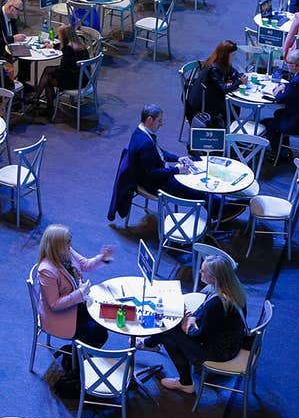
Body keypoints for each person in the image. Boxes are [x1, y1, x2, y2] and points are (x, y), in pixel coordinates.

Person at [142, 256, 247, 393]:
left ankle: (185, 382)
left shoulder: (217, 304)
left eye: (203, 271)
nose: (199, 273)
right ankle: (149, 343)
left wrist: (186, 326)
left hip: (219, 353)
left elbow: (201, 336)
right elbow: (204, 308)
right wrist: (192, 318)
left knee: (169, 330)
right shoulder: (231, 289)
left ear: (214, 277)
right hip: (231, 342)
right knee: (171, 330)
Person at [34, 225, 115, 370]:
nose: (70, 245)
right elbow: (54, 304)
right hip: (57, 316)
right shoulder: (46, 270)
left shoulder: (66, 252)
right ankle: (75, 362)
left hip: (73, 305)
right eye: (67, 242)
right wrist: (80, 293)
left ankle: (77, 354)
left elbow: (85, 264)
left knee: (102, 318)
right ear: (57, 246)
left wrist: (102, 257)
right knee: (99, 334)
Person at [107, 104, 187, 213]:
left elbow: (159, 152)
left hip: (153, 175)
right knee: (196, 192)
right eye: (159, 120)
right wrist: (177, 170)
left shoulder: (140, 132)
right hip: (153, 184)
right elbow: (152, 173)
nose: (162, 124)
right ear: (149, 120)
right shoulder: (146, 144)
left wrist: (178, 159)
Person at [186, 40, 244, 127]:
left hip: (209, 95)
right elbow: (224, 89)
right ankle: (229, 127)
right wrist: (240, 82)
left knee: (233, 104)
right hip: (203, 102)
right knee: (233, 104)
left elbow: (232, 71)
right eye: (232, 55)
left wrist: (237, 76)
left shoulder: (218, 61)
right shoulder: (214, 68)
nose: (233, 57)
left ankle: (229, 125)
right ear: (225, 55)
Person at [37, 24, 88, 114]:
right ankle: (36, 96)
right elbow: (67, 64)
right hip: (83, 78)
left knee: (48, 81)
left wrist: (53, 75)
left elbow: (64, 70)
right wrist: (53, 46)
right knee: (48, 69)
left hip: (74, 81)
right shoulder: (80, 44)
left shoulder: (69, 49)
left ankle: (49, 108)